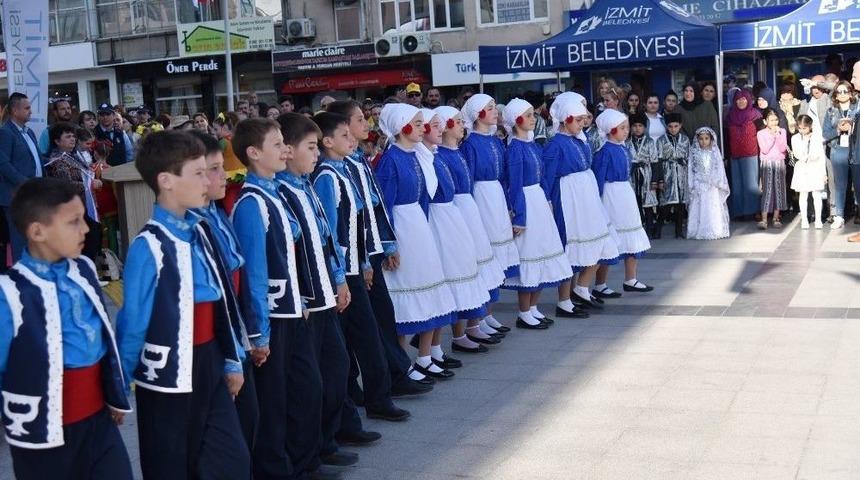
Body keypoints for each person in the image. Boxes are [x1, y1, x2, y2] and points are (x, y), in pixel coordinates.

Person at [117, 131, 250, 479]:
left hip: (209, 360)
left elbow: (221, 301)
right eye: (197, 173)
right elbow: (132, 324)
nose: (207, 180)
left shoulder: (201, 230)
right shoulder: (149, 245)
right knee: (171, 463)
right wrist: (116, 388)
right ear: (166, 181)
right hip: (168, 374)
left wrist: (231, 357)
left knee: (231, 459)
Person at [0, 178, 133, 480]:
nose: (86, 229)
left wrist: (114, 393)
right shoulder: (8, 293)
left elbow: (102, 337)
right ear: (37, 231)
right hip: (40, 435)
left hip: (98, 421)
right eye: (74, 222)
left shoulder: (84, 269)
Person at [229, 119, 324, 480]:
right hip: (272, 316)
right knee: (275, 400)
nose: (285, 149)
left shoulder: (273, 194)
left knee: (305, 388)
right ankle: (275, 469)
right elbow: (253, 274)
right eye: (277, 144)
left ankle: (301, 461)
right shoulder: (252, 203)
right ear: (254, 154)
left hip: (291, 310)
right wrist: (259, 333)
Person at [324, 101, 433, 398]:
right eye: (359, 120)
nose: (366, 125)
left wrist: (386, 243)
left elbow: (375, 207)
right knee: (361, 327)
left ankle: (394, 374)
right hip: (356, 256)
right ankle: (367, 385)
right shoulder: (338, 169)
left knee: (380, 319)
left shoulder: (358, 160)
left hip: (368, 249)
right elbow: (349, 219)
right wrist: (365, 257)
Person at [310, 113, 412, 424]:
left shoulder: (343, 170)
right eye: (344, 135)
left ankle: (373, 396)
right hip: (345, 271)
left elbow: (361, 220)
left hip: (356, 265)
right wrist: (344, 273)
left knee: (366, 333)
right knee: (363, 337)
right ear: (328, 141)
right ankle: (374, 399)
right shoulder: (327, 176)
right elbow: (333, 232)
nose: (353, 139)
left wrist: (367, 258)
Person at [275, 114, 361, 471]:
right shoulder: (283, 192)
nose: (315, 154)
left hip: (326, 292)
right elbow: (288, 254)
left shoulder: (306, 184)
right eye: (310, 148)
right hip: (308, 301)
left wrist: (339, 279)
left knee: (336, 369)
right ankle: (305, 455)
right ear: (288, 150)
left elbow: (326, 240)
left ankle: (325, 441)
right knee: (308, 385)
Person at [184, 130, 259, 465]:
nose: (220, 176)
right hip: (212, 347)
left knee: (249, 420)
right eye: (208, 170)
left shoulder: (216, 214)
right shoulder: (188, 229)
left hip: (235, 333)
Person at [374, 104, 458, 378]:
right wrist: (390, 243)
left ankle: (424, 356)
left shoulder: (414, 156)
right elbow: (384, 205)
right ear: (402, 127)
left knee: (429, 288)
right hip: (403, 228)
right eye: (419, 123)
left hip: (418, 227)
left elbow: (423, 197)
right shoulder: (391, 159)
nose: (424, 128)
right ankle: (401, 363)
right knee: (407, 295)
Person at [415, 107, 490, 370]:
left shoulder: (434, 156)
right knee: (442, 283)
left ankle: (434, 348)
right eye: (433, 125)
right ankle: (429, 351)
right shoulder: (422, 157)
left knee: (449, 283)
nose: (438, 130)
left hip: (448, 218)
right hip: (435, 222)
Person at [434, 105, 508, 348]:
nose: (462, 125)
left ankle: (476, 322)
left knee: (479, 265)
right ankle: (461, 332)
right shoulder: (441, 156)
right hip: (457, 211)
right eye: (456, 122)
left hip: (468, 208)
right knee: (463, 269)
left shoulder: (456, 152)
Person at [542, 94, 618, 311]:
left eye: (583, 119)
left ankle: (582, 288)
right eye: (577, 120)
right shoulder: (555, 144)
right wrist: (549, 200)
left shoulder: (580, 139)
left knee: (597, 241)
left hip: (585, 197)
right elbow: (548, 176)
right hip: (568, 199)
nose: (582, 123)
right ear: (566, 120)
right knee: (570, 245)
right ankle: (564, 300)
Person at [502, 98, 573, 329]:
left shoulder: (533, 145)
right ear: (517, 120)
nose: (534, 118)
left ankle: (533, 307)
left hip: (539, 202)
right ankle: (524, 311)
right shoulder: (514, 149)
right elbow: (515, 184)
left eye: (533, 114)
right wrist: (519, 215)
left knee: (542, 252)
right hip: (526, 202)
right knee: (530, 255)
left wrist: (548, 200)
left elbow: (542, 176)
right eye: (530, 114)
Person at [460, 94, 519, 333]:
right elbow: (469, 179)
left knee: (497, 260)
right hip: (481, 198)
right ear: (477, 114)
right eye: (490, 108)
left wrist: (507, 204)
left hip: (495, 196)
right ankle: (479, 316)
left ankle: (489, 312)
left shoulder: (496, 141)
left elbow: (504, 174)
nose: (496, 111)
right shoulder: (471, 144)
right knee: (486, 256)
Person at [591, 109, 653, 297]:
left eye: (627, 127)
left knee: (632, 232)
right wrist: (598, 202)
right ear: (610, 130)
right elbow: (598, 178)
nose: (627, 131)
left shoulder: (624, 148)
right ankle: (600, 284)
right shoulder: (604, 152)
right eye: (622, 128)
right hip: (611, 195)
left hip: (625, 192)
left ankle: (631, 278)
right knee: (611, 238)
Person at [45, 122, 102, 262]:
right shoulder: (57, 160)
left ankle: (88, 271)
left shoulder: (72, 156)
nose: (72, 139)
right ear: (57, 141)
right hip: (70, 208)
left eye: (73, 136)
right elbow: (65, 184)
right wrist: (89, 184)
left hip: (84, 205)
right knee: (83, 242)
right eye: (68, 136)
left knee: (92, 239)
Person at [0, 92, 44, 262]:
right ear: (14, 110)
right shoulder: (5, 133)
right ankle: (23, 280)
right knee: (21, 240)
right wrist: (24, 183)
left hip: (35, 195)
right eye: (27, 108)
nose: (30, 112)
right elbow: (3, 165)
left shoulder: (29, 132)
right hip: (16, 196)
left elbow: (36, 159)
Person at [823, 80, 859, 229]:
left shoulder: (857, 108)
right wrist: (837, 130)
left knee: (858, 184)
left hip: (856, 149)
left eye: (846, 91)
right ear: (836, 95)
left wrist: (853, 125)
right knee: (840, 185)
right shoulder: (831, 111)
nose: (843, 94)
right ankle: (839, 216)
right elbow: (825, 133)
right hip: (838, 150)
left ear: (851, 93)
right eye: (840, 92)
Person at [687, 127, 730, 240]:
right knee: (700, 207)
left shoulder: (715, 152)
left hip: (712, 184)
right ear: (697, 140)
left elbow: (720, 168)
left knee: (713, 206)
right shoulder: (694, 152)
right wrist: (693, 183)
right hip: (699, 184)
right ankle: (698, 229)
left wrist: (717, 181)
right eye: (701, 139)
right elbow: (691, 169)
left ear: (711, 139)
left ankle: (715, 229)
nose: (704, 141)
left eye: (706, 138)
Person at [726, 89, 762, 219]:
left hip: (751, 154)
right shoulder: (730, 116)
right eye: (738, 99)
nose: (741, 101)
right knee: (737, 184)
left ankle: (752, 212)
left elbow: (762, 133)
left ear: (749, 100)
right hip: (735, 155)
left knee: (751, 185)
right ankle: (739, 212)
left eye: (743, 99)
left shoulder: (755, 115)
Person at [626, 113, 661, 239]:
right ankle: (638, 228)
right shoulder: (627, 142)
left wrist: (654, 181)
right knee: (635, 202)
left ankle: (650, 229)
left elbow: (655, 161)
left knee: (648, 204)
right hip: (632, 175)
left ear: (645, 128)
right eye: (634, 126)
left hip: (647, 174)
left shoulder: (650, 142)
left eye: (640, 126)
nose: (637, 128)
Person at [656, 113, 691, 238]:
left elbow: (689, 157)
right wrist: (660, 178)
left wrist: (684, 162)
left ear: (680, 126)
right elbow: (658, 159)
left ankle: (678, 231)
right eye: (670, 126)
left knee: (681, 203)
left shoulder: (685, 140)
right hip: (668, 174)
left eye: (676, 126)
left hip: (681, 173)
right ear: (666, 126)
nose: (673, 129)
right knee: (666, 203)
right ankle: (658, 229)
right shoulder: (661, 140)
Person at [791, 115, 827, 230]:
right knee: (803, 194)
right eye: (800, 128)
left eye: (804, 128)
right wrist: (805, 143)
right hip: (802, 167)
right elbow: (797, 153)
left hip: (815, 167)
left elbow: (821, 156)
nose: (802, 130)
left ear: (810, 126)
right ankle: (805, 219)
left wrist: (824, 173)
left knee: (817, 195)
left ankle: (818, 219)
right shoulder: (795, 138)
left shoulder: (817, 137)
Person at [757, 108, 789, 229]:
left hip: (779, 162)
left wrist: (778, 135)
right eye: (771, 120)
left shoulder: (782, 131)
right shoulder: (761, 133)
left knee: (779, 190)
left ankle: (776, 217)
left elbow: (782, 149)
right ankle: (764, 219)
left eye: (776, 120)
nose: (774, 123)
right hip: (767, 163)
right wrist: (772, 136)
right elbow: (764, 149)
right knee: (767, 190)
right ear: (765, 121)